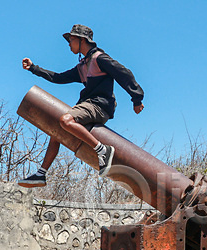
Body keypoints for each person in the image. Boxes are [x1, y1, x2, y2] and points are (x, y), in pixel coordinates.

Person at [18, 24, 144, 188]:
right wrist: (34, 68)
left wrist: (137, 99)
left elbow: (124, 73)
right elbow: (59, 78)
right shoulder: (83, 65)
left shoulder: (99, 59)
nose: (69, 44)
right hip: (87, 105)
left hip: (99, 106)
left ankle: (102, 150)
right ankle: (41, 174)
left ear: (81, 40)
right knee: (56, 129)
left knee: (65, 120)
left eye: (71, 40)